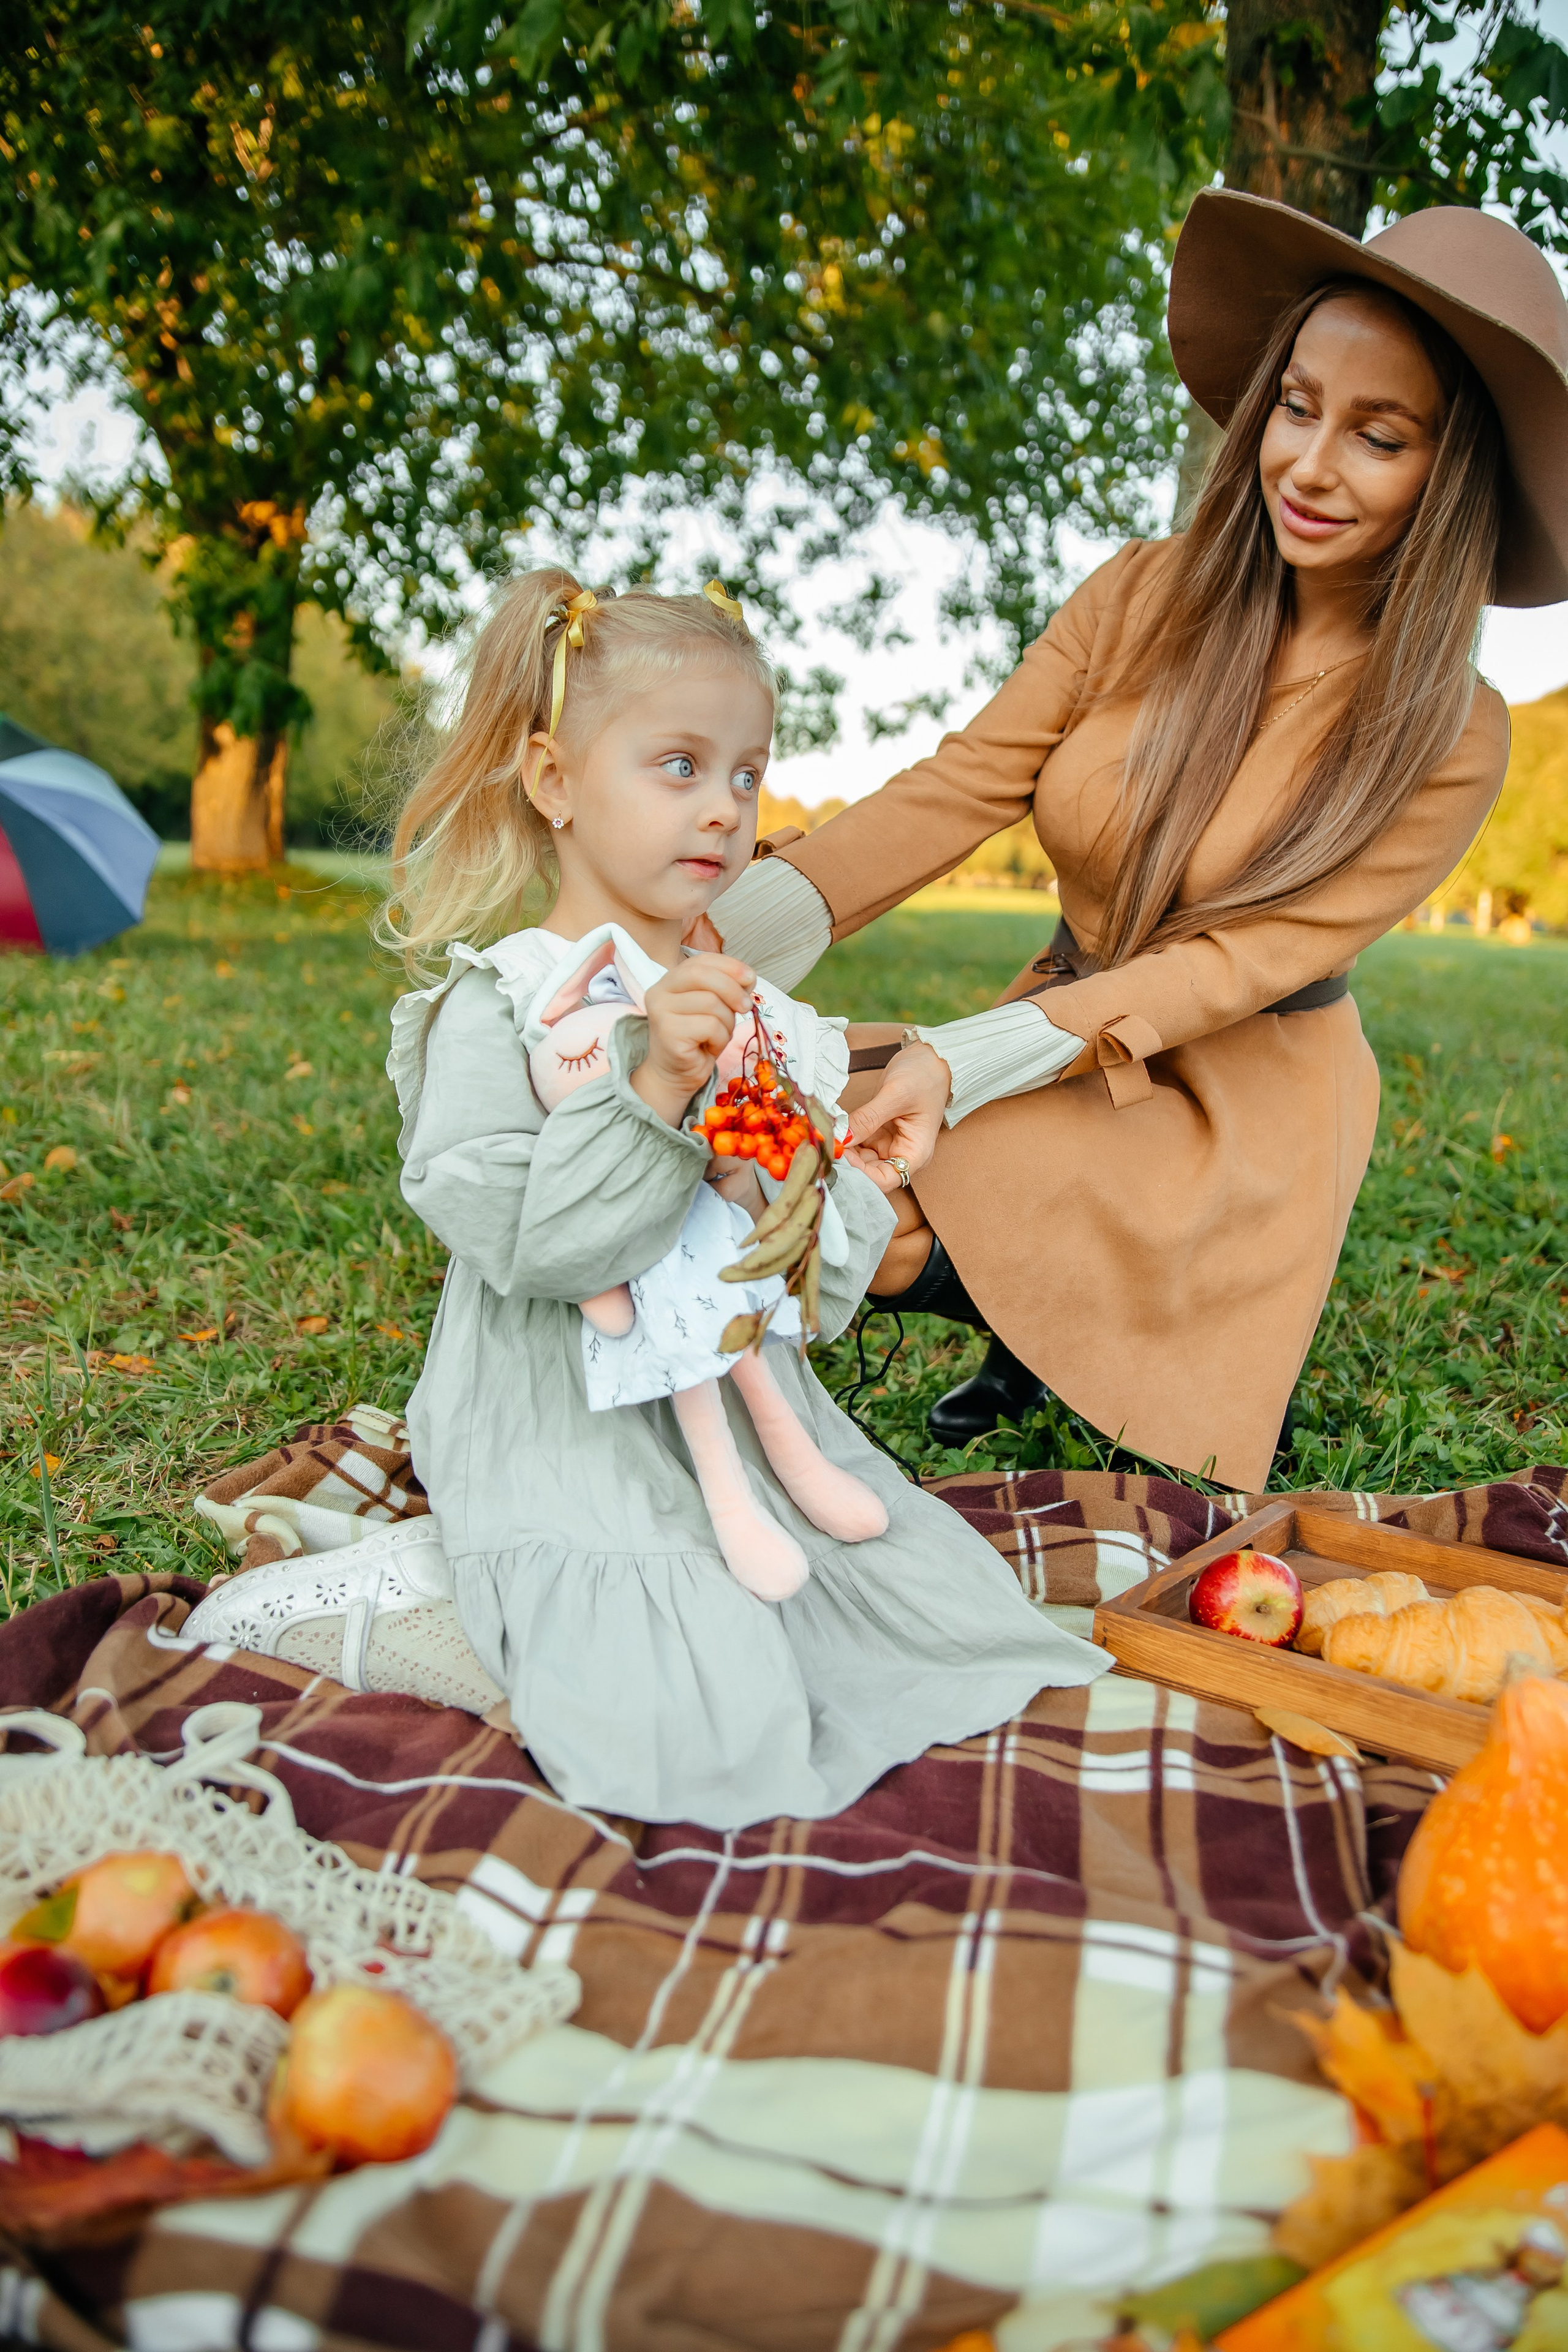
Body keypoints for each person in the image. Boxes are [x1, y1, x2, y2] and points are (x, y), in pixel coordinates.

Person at [712, 189, 1568, 1491]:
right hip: (1065, 1028)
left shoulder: (1451, 731)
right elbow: (959, 787)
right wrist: (700, 938)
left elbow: (1229, 969)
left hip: (1239, 1095)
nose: (1307, 465)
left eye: (1376, 437)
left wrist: (959, 1058)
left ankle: (1138, 1334)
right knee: (791, 1132)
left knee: (881, 1199)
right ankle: (1035, 1314)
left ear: (1446, 478)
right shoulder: (1138, 594)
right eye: (1294, 407)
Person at [335, 574, 1104, 1830]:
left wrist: (841, 1182)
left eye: (745, 774)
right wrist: (647, 1091)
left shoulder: (756, 1015)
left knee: (923, 1607)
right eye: (678, 765)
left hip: (751, 1415)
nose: (724, 809)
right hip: (563, 1422)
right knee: (692, 1697)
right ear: (553, 780)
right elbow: (537, 1249)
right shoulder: (503, 1005)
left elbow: (798, 1275)